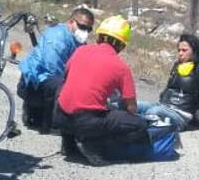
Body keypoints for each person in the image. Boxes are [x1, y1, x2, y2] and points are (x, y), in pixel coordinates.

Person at [53, 14, 150, 165]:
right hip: (86, 122)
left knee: (64, 88)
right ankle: (94, 145)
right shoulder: (121, 67)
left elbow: (66, 77)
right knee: (139, 125)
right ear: (122, 46)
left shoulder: (80, 51)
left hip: (60, 116)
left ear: (99, 36)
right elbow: (131, 108)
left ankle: (69, 142)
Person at [16, 6, 95, 132]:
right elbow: (52, 67)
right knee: (60, 85)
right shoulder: (57, 36)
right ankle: (48, 124)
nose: (85, 31)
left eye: (88, 29)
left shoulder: (78, 40)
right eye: (82, 26)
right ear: (71, 22)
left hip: (49, 80)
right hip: (34, 82)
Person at [138, 33, 199, 133]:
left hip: (181, 115)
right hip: (163, 107)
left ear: (194, 51)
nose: (180, 53)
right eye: (179, 50)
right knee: (136, 105)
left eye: (184, 50)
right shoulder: (177, 65)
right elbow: (169, 88)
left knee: (152, 113)